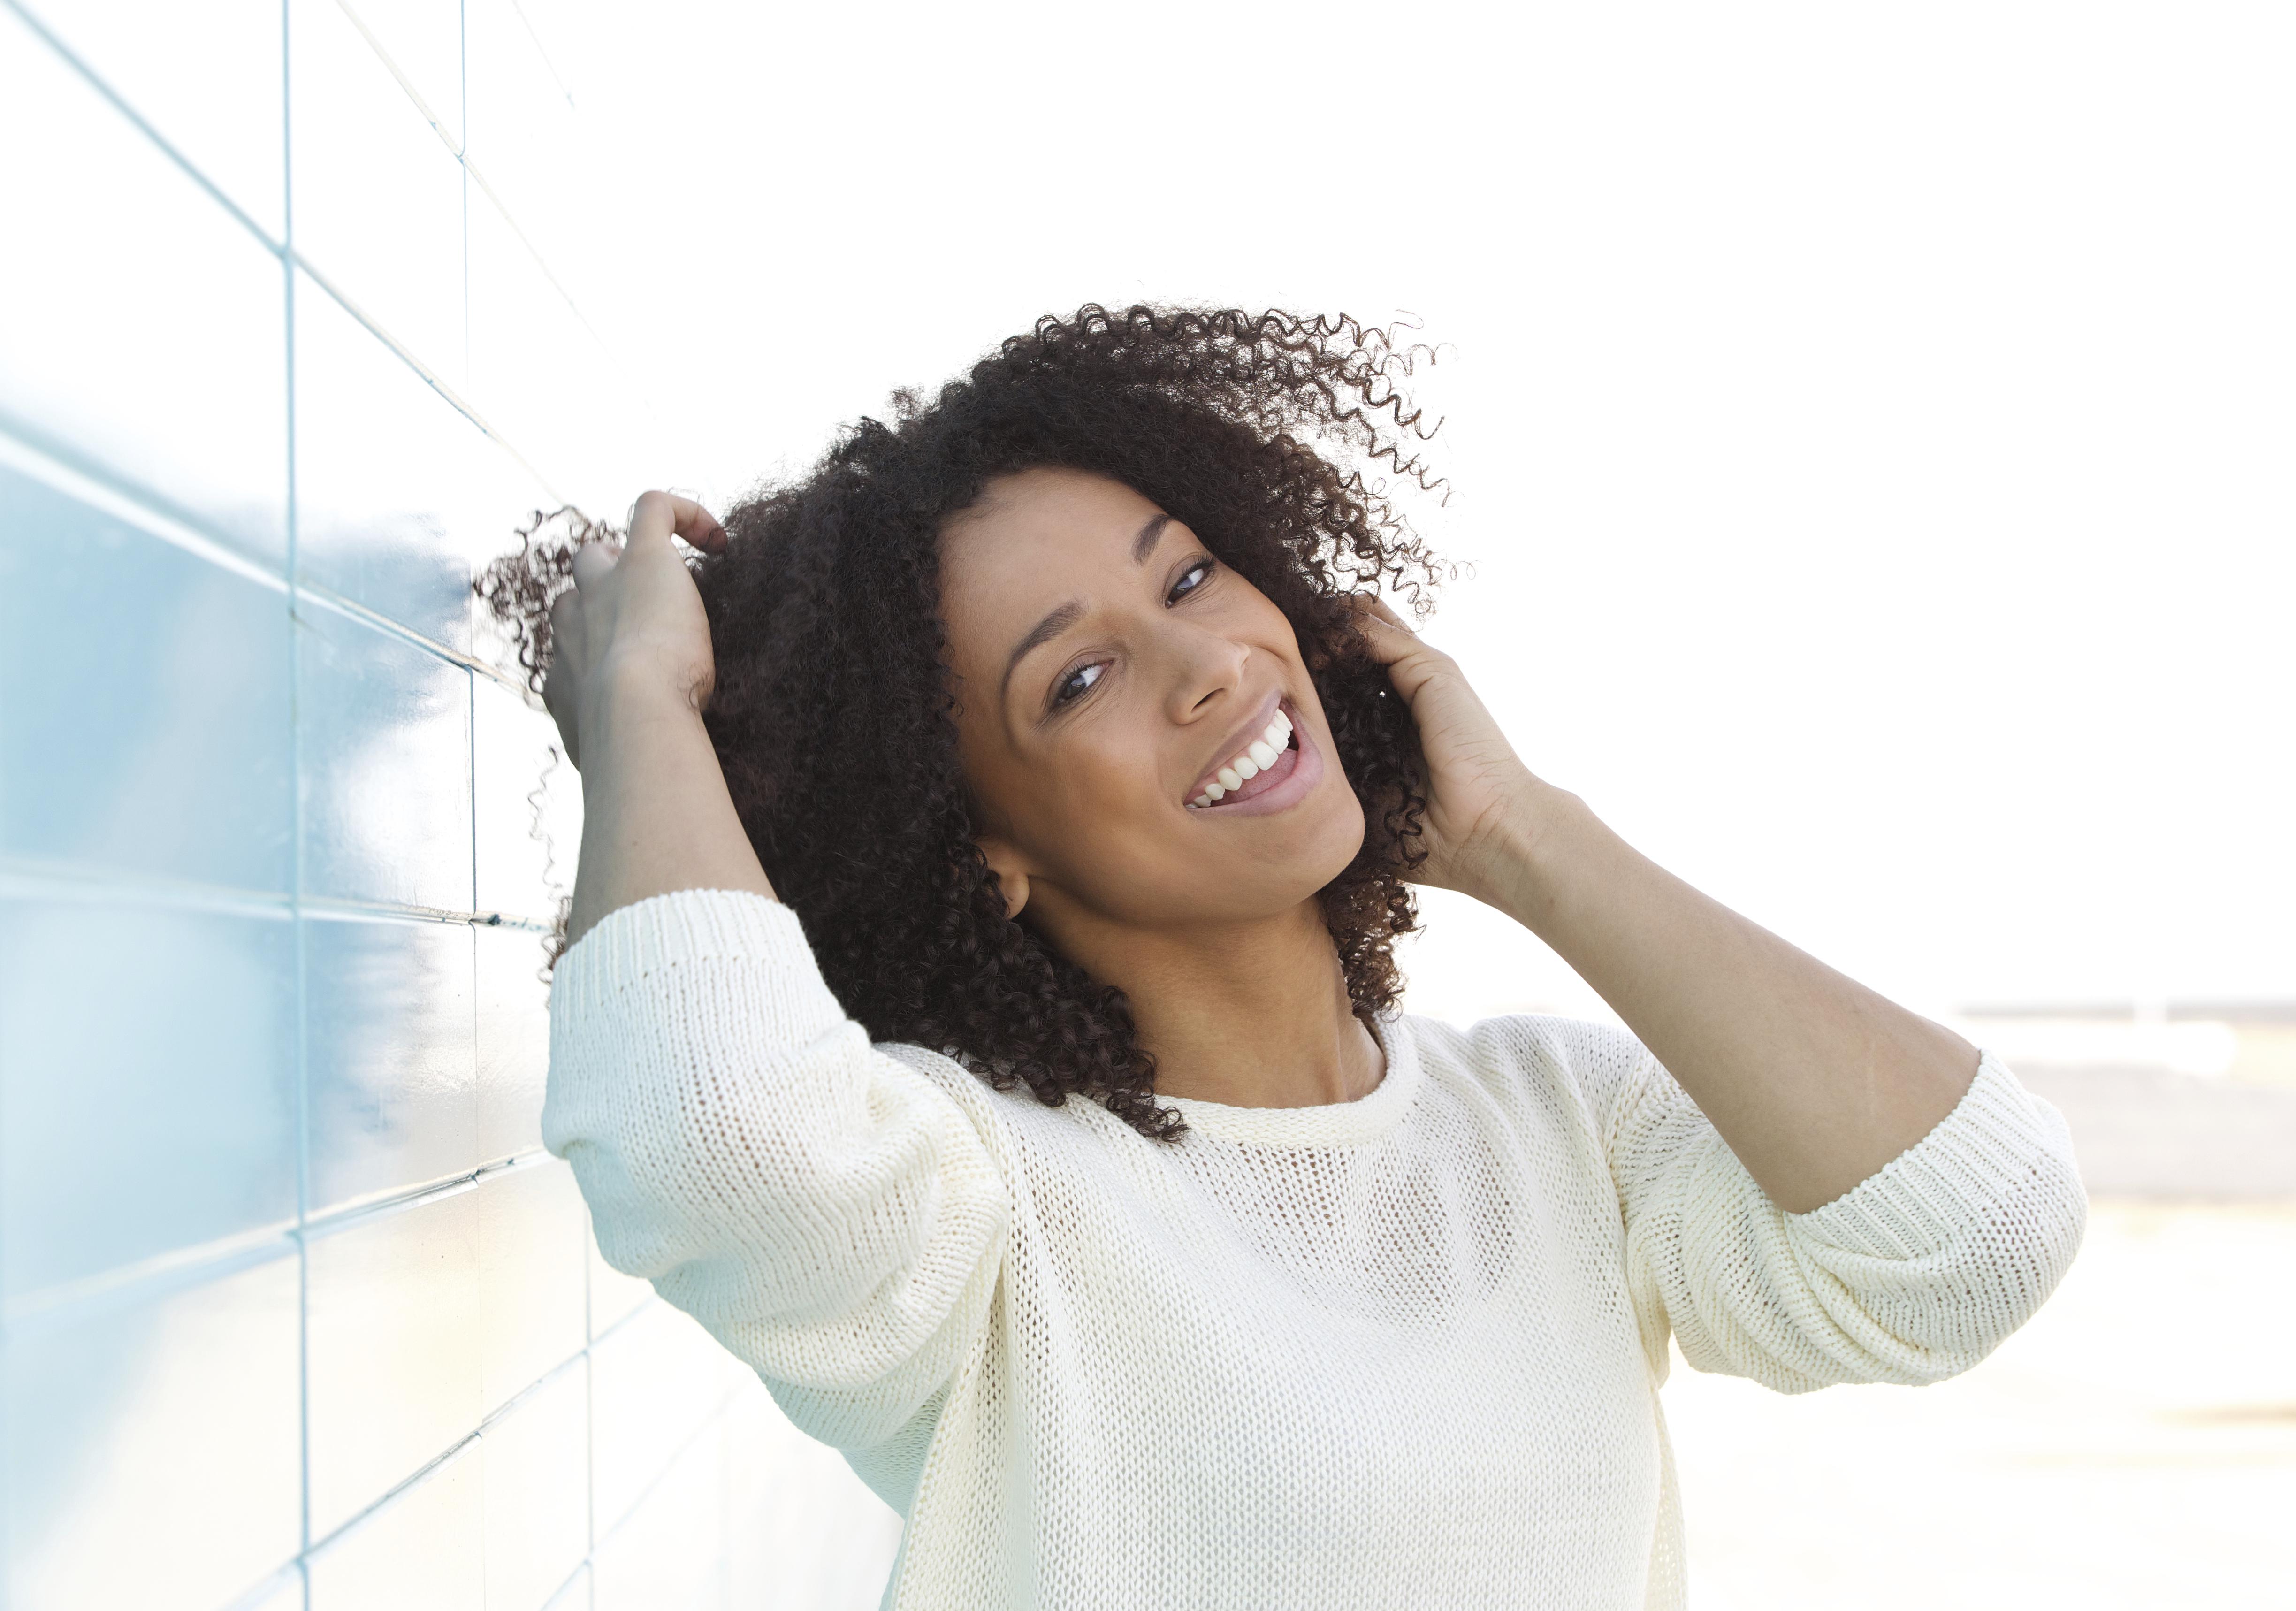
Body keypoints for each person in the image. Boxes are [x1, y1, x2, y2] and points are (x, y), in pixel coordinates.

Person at [490, 307, 2086, 1610]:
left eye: (1191, 575)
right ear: (988, 851)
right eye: (1082, 677)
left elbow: (1977, 1239)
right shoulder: (988, 1199)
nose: (1205, 663)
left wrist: (1526, 835)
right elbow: (707, 1133)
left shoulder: (1558, 1125)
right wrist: (644, 703)